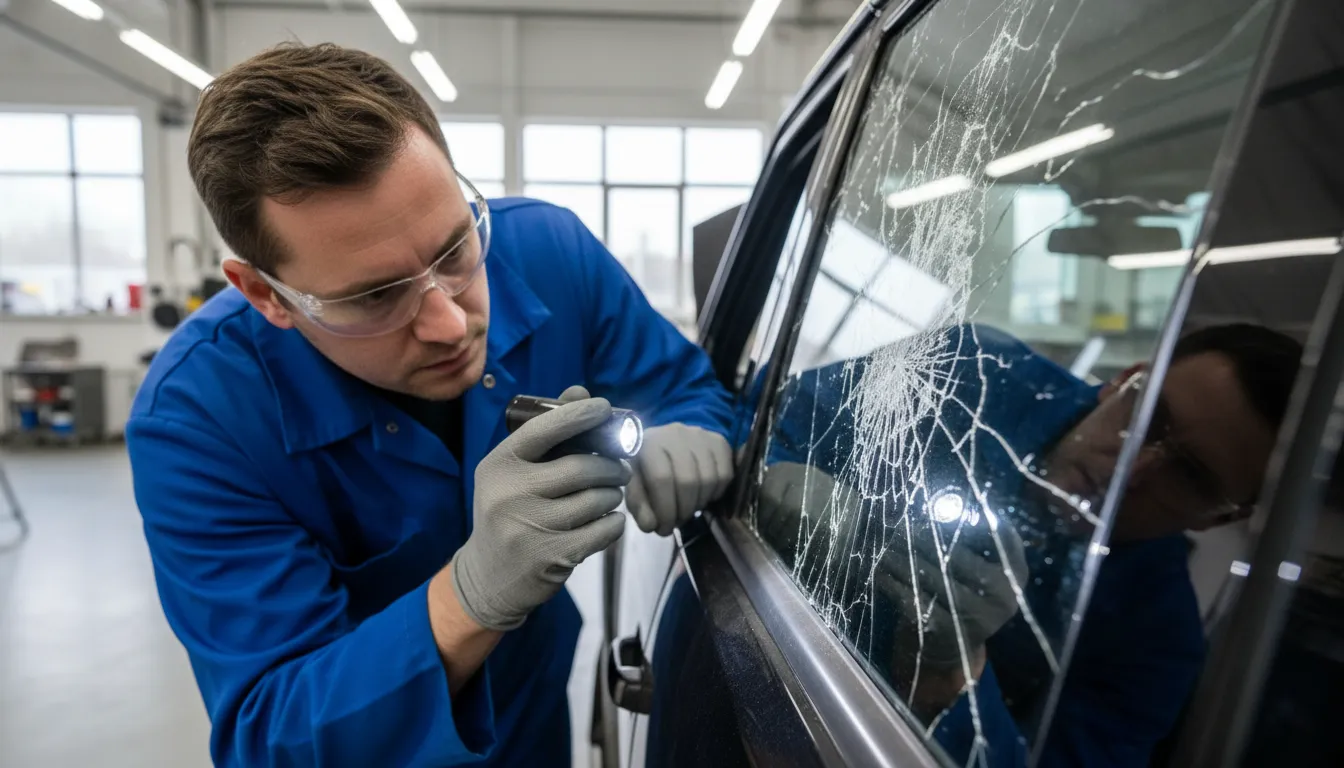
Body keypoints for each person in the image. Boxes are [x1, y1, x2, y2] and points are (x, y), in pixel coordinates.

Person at [125, 43, 735, 767]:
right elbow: (271, 732)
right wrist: (468, 598)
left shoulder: (549, 250)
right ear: (266, 294)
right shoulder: (199, 418)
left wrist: (692, 427)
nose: (450, 322)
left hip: (532, 718)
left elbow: (682, 385)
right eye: (374, 296)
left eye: (453, 250)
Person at [756, 322, 1301, 767]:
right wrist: (775, 475)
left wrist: (954, 681)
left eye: (1189, 476)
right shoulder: (966, 372)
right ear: (1125, 380)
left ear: (1220, 518)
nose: (1130, 471)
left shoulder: (1153, 642)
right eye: (1147, 416)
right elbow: (759, 419)